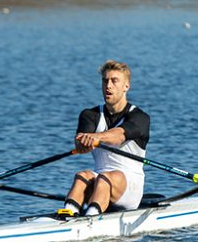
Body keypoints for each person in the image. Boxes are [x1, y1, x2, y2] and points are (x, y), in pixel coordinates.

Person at [61, 60, 150, 217]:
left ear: (126, 86)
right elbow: (80, 140)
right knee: (82, 176)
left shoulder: (140, 118)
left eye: (114, 81)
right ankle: (66, 215)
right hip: (100, 180)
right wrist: (82, 144)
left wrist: (96, 138)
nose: (108, 86)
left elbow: (118, 136)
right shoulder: (89, 115)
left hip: (130, 186)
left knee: (105, 178)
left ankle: (90, 218)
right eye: (105, 81)